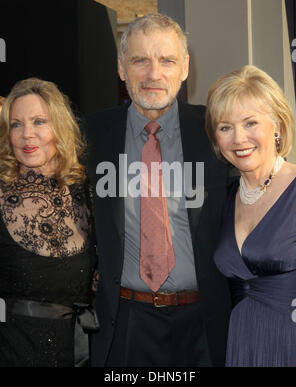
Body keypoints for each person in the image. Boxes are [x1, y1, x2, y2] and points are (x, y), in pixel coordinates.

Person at [85, 13, 232, 367]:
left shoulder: (217, 132)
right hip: (124, 325)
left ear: (184, 68)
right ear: (121, 68)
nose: (154, 74)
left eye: (166, 60)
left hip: (204, 325)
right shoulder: (89, 136)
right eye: (140, 61)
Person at [205, 64, 296, 367]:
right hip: (240, 342)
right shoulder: (223, 198)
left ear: (278, 125)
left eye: (250, 123)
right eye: (225, 127)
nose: (238, 139)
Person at [0, 78, 99, 367]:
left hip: (79, 351)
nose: (26, 134)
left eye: (39, 121)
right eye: (16, 124)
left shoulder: (87, 190)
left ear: (60, 126)